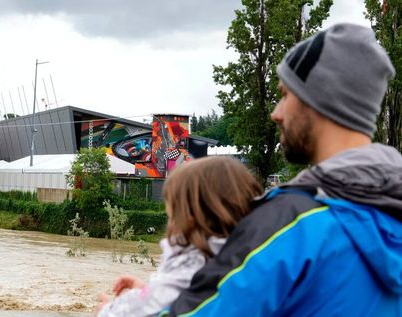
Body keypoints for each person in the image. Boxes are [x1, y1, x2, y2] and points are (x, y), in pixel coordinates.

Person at [164, 23, 402, 316]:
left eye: (286, 95)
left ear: (320, 100)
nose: (276, 113)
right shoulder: (392, 212)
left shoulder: (289, 225)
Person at [95, 156, 263, 317]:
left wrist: (106, 311)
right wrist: (146, 291)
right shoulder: (246, 258)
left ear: (189, 217)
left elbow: (152, 307)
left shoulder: (192, 263)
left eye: (172, 214)